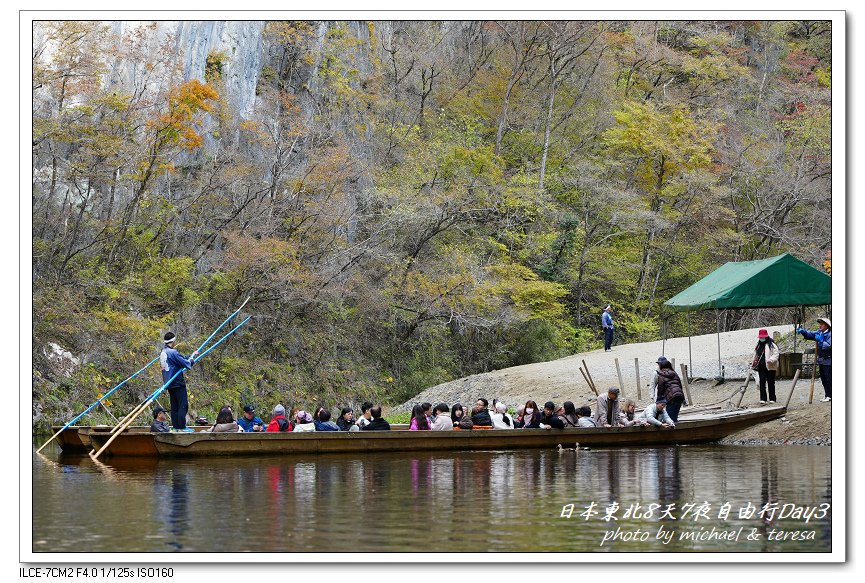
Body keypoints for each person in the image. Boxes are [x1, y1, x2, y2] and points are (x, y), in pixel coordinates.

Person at [160, 331, 199, 432]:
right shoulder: (173, 352)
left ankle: (176, 427)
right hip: (177, 382)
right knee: (183, 405)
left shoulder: (164, 352)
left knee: (174, 406)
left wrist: (191, 355)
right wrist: (192, 359)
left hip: (169, 383)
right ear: (173, 341)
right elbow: (186, 363)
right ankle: (182, 427)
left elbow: (180, 359)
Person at [797, 317, 832, 402]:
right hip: (821, 360)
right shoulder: (819, 332)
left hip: (829, 360)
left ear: (827, 326)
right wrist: (804, 332)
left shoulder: (830, 334)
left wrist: (821, 340)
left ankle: (831, 395)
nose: (820, 325)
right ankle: (827, 395)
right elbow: (811, 334)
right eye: (820, 323)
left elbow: (828, 345)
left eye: (822, 324)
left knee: (829, 378)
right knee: (823, 379)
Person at [752, 328, 779, 404]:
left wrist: (771, 360)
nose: (761, 338)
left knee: (771, 382)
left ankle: (772, 398)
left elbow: (776, 354)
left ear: (766, 336)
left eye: (762, 337)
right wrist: (753, 362)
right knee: (761, 383)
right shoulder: (758, 345)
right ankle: (763, 398)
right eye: (760, 337)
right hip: (761, 367)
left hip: (770, 366)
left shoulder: (772, 345)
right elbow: (755, 355)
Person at [655, 357, 686, 423]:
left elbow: (660, 390)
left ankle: (671, 432)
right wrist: (683, 399)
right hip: (679, 396)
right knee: (674, 418)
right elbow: (680, 386)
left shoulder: (661, 375)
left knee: (669, 420)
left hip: (671, 398)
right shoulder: (674, 373)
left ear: (661, 366)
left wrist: (658, 401)